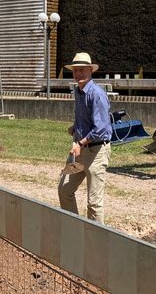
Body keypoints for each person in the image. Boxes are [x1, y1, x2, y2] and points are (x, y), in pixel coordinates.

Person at [58, 52, 113, 223]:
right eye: (76, 70)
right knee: (64, 190)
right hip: (80, 150)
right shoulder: (78, 91)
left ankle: (95, 242)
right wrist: (76, 127)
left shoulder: (96, 94)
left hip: (96, 151)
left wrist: (80, 143)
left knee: (94, 203)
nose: (78, 74)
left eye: (82, 70)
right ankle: (76, 229)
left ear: (90, 71)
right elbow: (88, 118)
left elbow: (102, 128)